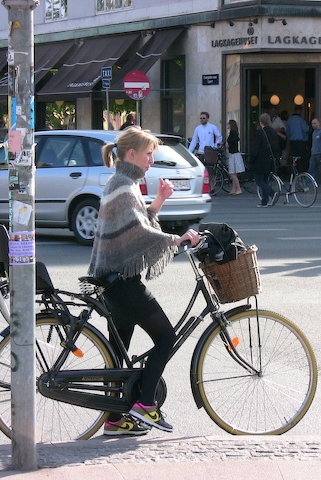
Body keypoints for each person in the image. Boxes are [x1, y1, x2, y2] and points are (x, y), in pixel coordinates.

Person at [89, 126, 199, 436]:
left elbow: (135, 225)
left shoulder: (124, 184)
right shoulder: (123, 186)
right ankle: (146, 405)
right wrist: (177, 239)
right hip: (123, 283)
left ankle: (114, 420)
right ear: (132, 155)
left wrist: (159, 201)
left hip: (114, 281)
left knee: (117, 356)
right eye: (149, 154)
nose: (152, 160)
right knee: (165, 338)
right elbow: (139, 234)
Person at [249, 113, 280, 208]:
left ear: (260, 122)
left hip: (260, 160)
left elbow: (256, 148)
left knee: (259, 181)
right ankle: (264, 201)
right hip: (270, 160)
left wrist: (250, 160)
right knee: (265, 180)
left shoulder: (260, 133)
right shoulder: (273, 132)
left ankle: (272, 193)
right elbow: (276, 147)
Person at [285, 106, 310, 172]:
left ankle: (295, 171)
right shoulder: (301, 120)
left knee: (294, 158)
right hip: (301, 142)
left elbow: (287, 132)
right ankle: (303, 171)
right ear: (300, 111)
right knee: (303, 158)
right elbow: (306, 129)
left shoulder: (289, 120)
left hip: (292, 142)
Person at [225, 119, 245, 195]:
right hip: (235, 154)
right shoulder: (235, 133)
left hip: (233, 154)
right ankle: (234, 189)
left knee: (232, 173)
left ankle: (238, 189)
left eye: (228, 124)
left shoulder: (232, 133)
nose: (227, 125)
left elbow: (229, 143)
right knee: (234, 173)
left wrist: (226, 143)